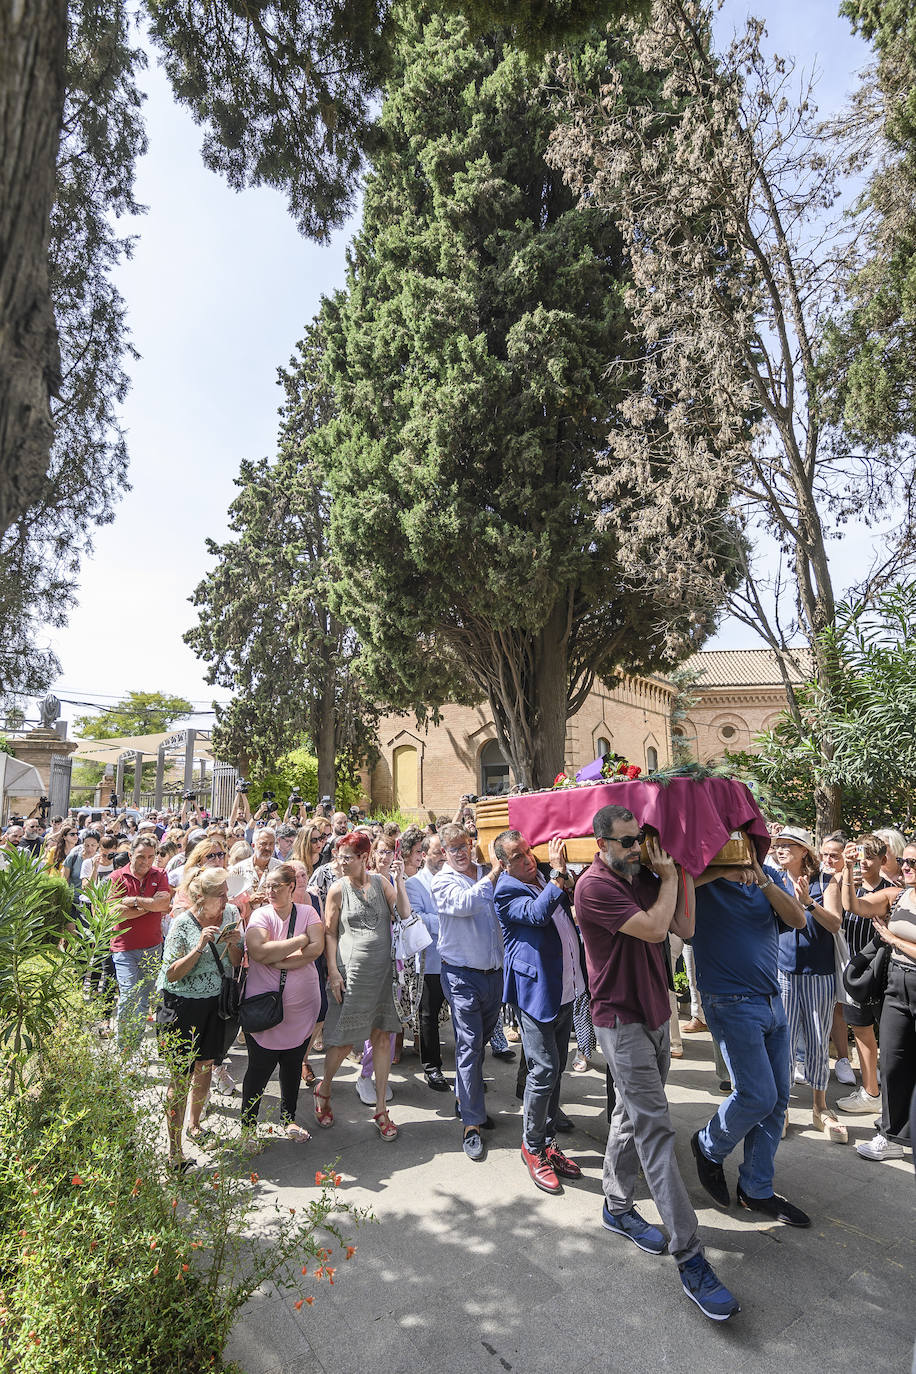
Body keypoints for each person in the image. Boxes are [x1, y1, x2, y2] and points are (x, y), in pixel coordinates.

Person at [574, 804, 739, 1323]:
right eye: (625, 841)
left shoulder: (645, 876)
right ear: (601, 843)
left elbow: (684, 926)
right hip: (619, 1022)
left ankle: (616, 1206)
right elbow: (650, 930)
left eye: (639, 838)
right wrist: (668, 875)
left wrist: (682, 871)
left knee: (629, 1114)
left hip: (653, 1014)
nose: (635, 847)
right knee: (655, 1130)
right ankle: (690, 1256)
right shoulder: (593, 886)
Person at [690, 842, 812, 1224]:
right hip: (730, 1002)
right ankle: (708, 1145)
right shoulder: (700, 877)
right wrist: (720, 872)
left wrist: (763, 881)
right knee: (757, 1095)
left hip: (772, 1000)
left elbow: (798, 920)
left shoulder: (768, 874)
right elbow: (675, 890)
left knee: (776, 1102)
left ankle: (756, 1189)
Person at [493, 829, 584, 1195]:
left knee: (556, 1068)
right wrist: (559, 875)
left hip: (564, 990)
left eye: (529, 851)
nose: (529, 859)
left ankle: (547, 1142)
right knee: (543, 1070)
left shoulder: (544, 878)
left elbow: (567, 906)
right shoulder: (506, 890)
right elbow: (536, 915)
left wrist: (568, 880)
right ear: (503, 864)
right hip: (536, 995)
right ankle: (532, 1149)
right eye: (518, 857)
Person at [314, 832, 408, 1141]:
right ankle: (324, 1088)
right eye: (339, 856)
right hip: (350, 973)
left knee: (381, 1038)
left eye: (347, 857)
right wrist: (333, 972)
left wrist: (400, 881)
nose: (341, 862)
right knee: (343, 1040)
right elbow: (329, 933)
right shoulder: (337, 889)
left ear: (364, 858)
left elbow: (404, 916)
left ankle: (381, 1110)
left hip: (382, 975)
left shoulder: (381, 884)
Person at [156, 868, 243, 1169]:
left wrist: (233, 942)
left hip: (214, 1004)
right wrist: (200, 947)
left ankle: (195, 1125)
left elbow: (235, 962)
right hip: (182, 1005)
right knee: (180, 1077)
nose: (227, 899)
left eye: (226, 893)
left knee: (205, 1065)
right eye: (220, 896)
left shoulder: (231, 912)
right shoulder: (182, 923)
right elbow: (171, 973)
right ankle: (173, 1150)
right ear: (201, 898)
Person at [837, 837, 916, 1162]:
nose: (908, 867)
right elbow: (854, 906)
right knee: (893, 1064)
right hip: (897, 984)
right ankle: (891, 1135)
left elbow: (895, 940)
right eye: (906, 862)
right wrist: (847, 868)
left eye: (914, 863)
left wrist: (893, 938)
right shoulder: (898, 896)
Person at [432, 824, 505, 1163]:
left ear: (473, 843)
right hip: (461, 975)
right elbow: (464, 904)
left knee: (480, 1044)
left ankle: (465, 1097)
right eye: (452, 848)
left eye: (464, 845)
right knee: (469, 1045)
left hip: (494, 974)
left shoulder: (487, 871)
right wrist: (494, 872)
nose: (460, 852)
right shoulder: (442, 881)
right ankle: (471, 1124)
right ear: (444, 852)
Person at [769, 826, 847, 1142]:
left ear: (805, 851)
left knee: (816, 1039)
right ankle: (783, 1107)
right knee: (783, 1041)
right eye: (777, 845)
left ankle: (819, 1108)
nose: (781, 849)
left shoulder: (825, 881)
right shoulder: (773, 882)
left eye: (789, 845)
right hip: (782, 972)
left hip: (819, 973)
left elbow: (835, 923)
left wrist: (809, 904)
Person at [241, 864, 325, 1149]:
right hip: (265, 1009)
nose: (271, 891)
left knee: (292, 1066)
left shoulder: (308, 912)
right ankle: (248, 1127)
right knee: (258, 1070)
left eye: (277, 885)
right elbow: (258, 951)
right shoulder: (260, 915)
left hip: (302, 1008)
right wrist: (300, 940)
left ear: (291, 887)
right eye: (268, 886)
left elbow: (317, 949)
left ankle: (288, 1118)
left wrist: (281, 960)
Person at [825, 836, 888, 1114]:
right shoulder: (843, 885)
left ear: (883, 860)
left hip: (884, 971)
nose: (865, 861)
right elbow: (837, 917)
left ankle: (889, 1090)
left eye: (871, 857)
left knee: (890, 1036)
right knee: (862, 1033)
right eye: (861, 855)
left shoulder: (892, 891)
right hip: (853, 971)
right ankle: (871, 1091)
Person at [109, 835, 172, 1048]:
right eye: (141, 856)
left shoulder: (160, 874)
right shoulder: (117, 876)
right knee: (128, 995)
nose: (146, 861)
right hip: (124, 947)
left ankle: (132, 1047)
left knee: (144, 998)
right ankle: (122, 1048)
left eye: (151, 856)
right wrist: (151, 906)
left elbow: (165, 903)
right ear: (130, 855)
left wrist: (136, 902)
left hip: (152, 946)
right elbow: (115, 912)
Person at [404, 829, 450, 1092]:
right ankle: (432, 1067)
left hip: (458, 959)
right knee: (428, 1016)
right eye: (437, 851)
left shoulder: (455, 878)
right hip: (431, 961)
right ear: (423, 855)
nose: (444, 856)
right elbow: (417, 918)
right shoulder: (414, 885)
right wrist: (451, 920)